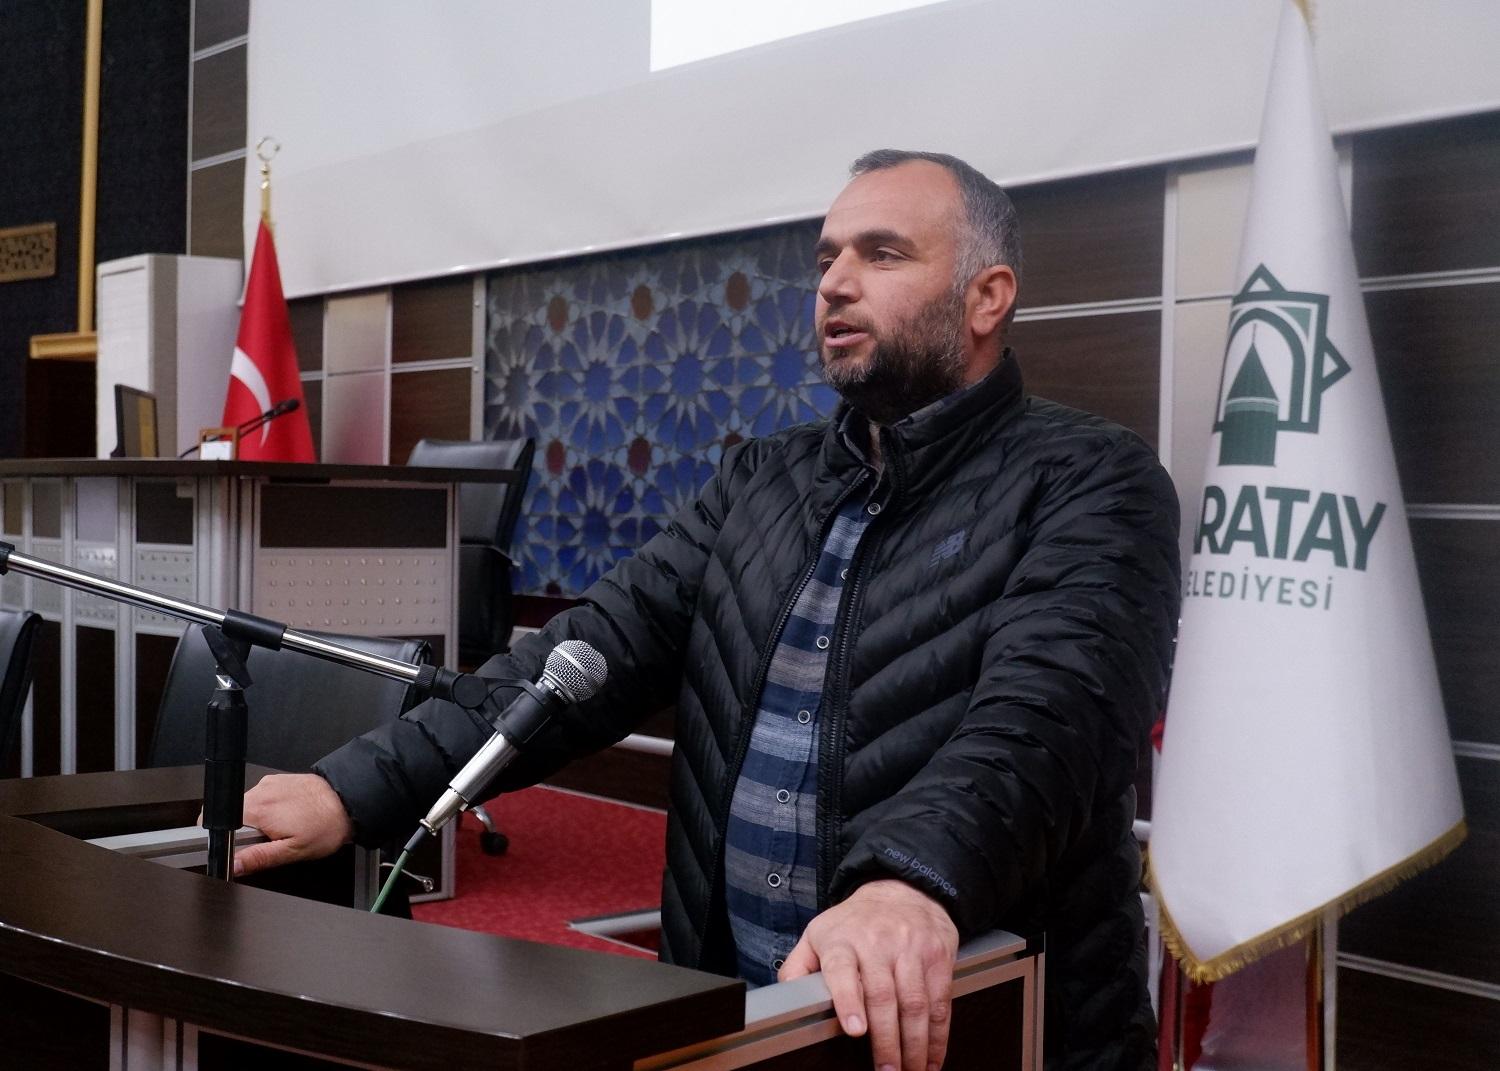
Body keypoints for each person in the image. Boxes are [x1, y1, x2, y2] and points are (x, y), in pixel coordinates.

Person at [236, 150, 1181, 1071]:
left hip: (980, 1022)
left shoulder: (1094, 479)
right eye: (827, 259)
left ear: (987, 297)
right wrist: (353, 789)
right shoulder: (760, 478)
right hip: (739, 1014)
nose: (834, 283)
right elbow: (583, 657)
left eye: (882, 254)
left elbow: (1051, 719)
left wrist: (908, 881)